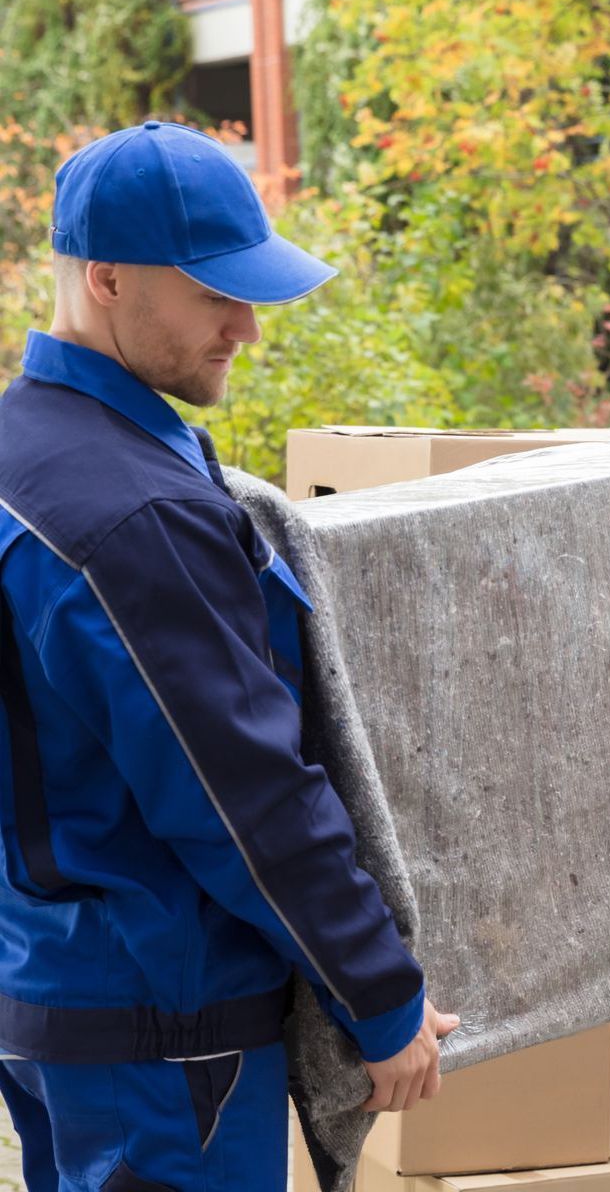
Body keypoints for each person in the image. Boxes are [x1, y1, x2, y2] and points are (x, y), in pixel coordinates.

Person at [0, 121, 457, 1192]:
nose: (246, 327)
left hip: (61, 988)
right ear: (107, 279)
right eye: (215, 294)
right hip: (161, 1026)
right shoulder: (127, 513)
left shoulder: (29, 448)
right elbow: (242, 795)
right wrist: (381, 998)